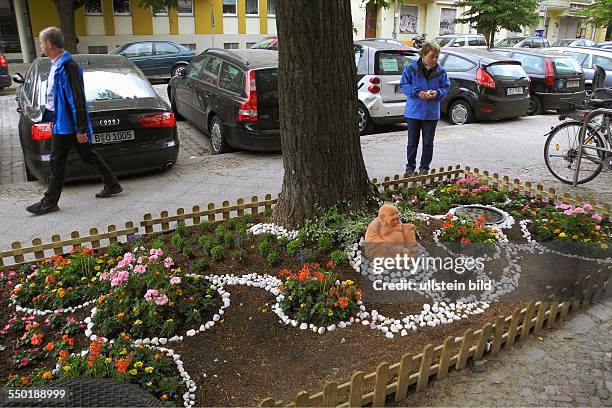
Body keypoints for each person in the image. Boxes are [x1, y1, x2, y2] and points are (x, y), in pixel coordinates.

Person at [26, 27, 122, 216]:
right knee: (87, 155)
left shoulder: (68, 66)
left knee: (57, 161)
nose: (40, 46)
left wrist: (80, 129)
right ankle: (112, 184)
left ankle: (49, 202)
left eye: (41, 42)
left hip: (67, 125)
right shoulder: (57, 63)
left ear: (49, 44)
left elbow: (77, 99)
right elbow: (56, 97)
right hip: (61, 122)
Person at [399, 41, 450, 175]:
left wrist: (437, 93)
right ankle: (410, 168)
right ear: (423, 54)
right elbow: (404, 85)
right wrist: (418, 93)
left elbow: (445, 88)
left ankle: (424, 168)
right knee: (412, 142)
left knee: (428, 143)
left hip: (431, 113)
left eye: (437, 57)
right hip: (413, 112)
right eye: (432, 56)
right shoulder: (410, 68)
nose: (435, 59)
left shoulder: (441, 71)